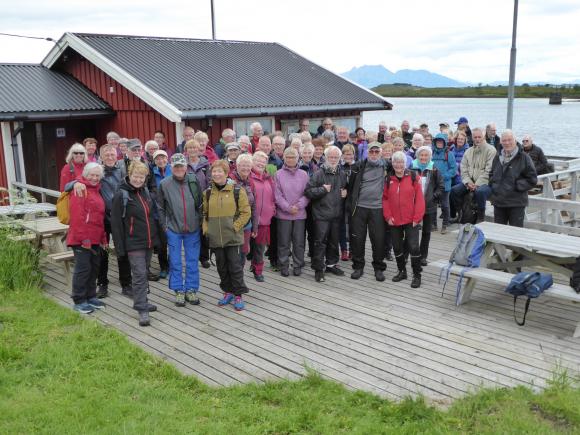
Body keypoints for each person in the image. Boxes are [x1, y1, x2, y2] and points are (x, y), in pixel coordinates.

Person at [111, 161, 159, 326]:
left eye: (142, 176)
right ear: (129, 175)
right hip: (133, 242)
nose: (138, 179)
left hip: (147, 241)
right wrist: (120, 249)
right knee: (139, 275)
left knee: (143, 273)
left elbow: (150, 218)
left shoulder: (144, 191)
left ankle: (143, 300)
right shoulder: (121, 195)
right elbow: (116, 224)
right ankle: (141, 309)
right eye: (136, 176)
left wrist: (155, 239)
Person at [203, 160, 251, 311]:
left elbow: (246, 212)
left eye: (220, 171)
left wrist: (235, 227)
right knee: (222, 267)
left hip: (233, 237)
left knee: (235, 267)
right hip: (216, 238)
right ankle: (228, 292)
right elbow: (204, 214)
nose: (216, 174)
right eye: (214, 171)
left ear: (226, 173)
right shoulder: (208, 192)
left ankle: (238, 295)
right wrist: (206, 230)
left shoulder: (237, 190)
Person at [157, 153, 203, 307]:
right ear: (171, 167)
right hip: (174, 229)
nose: (178, 169)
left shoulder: (193, 180)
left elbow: (200, 203)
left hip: (193, 228)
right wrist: (165, 226)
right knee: (175, 261)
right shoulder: (164, 184)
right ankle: (178, 290)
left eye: (181, 166)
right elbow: (160, 207)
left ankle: (191, 289)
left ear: (185, 166)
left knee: (192, 261)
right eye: (175, 166)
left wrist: (200, 221)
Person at [66, 162, 107, 314]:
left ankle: (90, 296)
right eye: (92, 175)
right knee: (83, 269)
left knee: (94, 268)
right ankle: (79, 300)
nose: (94, 178)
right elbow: (77, 217)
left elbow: (99, 217)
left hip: (95, 237)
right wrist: (84, 239)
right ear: (85, 175)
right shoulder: (80, 189)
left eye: (97, 175)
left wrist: (103, 238)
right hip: (81, 239)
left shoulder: (96, 190)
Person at [304, 146, 347, 282]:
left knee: (334, 242)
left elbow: (344, 190)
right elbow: (308, 191)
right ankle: (318, 269)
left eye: (336, 157)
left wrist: (346, 193)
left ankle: (331, 264)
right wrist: (322, 190)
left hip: (336, 214)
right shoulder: (318, 173)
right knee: (320, 242)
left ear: (339, 158)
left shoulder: (342, 173)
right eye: (331, 157)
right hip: (321, 215)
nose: (333, 159)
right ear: (326, 157)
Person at [383, 151, 425, 288]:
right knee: (397, 246)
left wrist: (417, 217)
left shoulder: (413, 177)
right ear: (392, 163)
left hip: (411, 219)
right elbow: (385, 199)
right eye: (396, 162)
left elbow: (419, 198)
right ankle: (402, 271)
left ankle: (417, 275)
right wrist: (388, 216)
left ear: (405, 163)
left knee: (414, 247)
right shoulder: (388, 179)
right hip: (394, 220)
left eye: (401, 162)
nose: (398, 165)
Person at [348, 142, 389, 281]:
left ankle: (378, 268)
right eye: (371, 152)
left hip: (378, 209)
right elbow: (351, 187)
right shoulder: (358, 166)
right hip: (359, 208)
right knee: (357, 239)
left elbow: (402, 171)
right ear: (367, 152)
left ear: (381, 153)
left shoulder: (387, 166)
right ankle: (358, 267)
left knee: (378, 240)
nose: (374, 154)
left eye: (377, 152)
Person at [489, 130, 538, 227]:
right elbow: (491, 173)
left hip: (516, 202)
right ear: (501, 142)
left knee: (516, 233)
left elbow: (532, 179)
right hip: (499, 202)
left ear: (515, 140)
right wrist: (493, 186)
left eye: (509, 140)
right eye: (504, 140)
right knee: (499, 232)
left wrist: (517, 186)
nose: (507, 143)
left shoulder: (524, 157)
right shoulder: (497, 156)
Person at [275, 148, 309, 277]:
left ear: (298, 158)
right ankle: (283, 265)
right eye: (288, 157)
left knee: (299, 242)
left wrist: (299, 206)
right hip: (284, 214)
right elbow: (277, 195)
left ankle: (297, 265)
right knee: (284, 242)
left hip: (300, 214)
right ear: (284, 158)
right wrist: (288, 208)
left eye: (293, 157)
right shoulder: (278, 174)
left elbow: (307, 193)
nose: (290, 159)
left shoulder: (304, 174)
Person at [450, 128, 496, 223]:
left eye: (480, 137)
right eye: (475, 137)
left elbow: (489, 170)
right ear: (472, 138)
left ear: (484, 137)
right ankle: (460, 214)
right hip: (470, 182)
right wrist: (468, 182)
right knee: (454, 191)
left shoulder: (491, 150)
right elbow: (463, 169)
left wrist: (477, 184)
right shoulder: (468, 151)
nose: (477, 139)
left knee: (480, 192)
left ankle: (480, 217)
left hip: (486, 183)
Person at [411, 146, 444, 265]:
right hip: (413, 206)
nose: (423, 157)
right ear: (418, 156)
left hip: (429, 206)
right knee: (412, 231)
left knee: (426, 232)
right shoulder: (411, 168)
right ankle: (412, 253)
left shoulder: (434, 169)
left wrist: (433, 197)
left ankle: (423, 256)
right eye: (421, 155)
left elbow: (441, 186)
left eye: (426, 155)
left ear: (429, 157)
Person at [249, 151, 276, 282]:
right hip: (249, 220)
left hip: (264, 219)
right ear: (251, 162)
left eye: (263, 162)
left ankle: (257, 269)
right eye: (257, 161)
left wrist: (272, 209)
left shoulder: (268, 178)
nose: (260, 163)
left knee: (260, 247)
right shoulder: (247, 178)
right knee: (246, 247)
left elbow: (273, 197)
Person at [230, 154, 257, 266]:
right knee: (232, 253)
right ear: (237, 166)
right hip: (233, 224)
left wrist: (255, 226)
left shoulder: (251, 182)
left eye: (248, 165)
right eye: (242, 165)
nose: (245, 168)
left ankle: (238, 278)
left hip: (247, 224)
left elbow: (254, 205)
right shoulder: (230, 180)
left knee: (243, 252)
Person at [150, 150, 171, 279]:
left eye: (163, 157)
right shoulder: (151, 173)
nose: (161, 160)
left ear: (167, 158)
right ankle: (164, 266)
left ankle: (174, 265)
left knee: (173, 242)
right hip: (158, 213)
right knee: (161, 244)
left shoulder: (173, 170)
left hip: (173, 213)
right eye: (158, 158)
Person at [431, 133, 457, 234]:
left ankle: (445, 224)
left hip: (445, 184)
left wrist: (443, 177)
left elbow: (453, 169)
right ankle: (433, 224)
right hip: (433, 184)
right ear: (435, 142)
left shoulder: (449, 154)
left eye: (441, 141)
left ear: (444, 142)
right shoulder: (431, 153)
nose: (439, 143)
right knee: (432, 204)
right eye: (438, 141)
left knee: (445, 205)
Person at [339, 143, 356, 261]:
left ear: (354, 155)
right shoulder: (340, 167)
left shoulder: (358, 167)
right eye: (345, 154)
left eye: (350, 154)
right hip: (341, 201)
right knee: (342, 226)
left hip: (353, 200)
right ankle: (344, 250)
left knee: (353, 226)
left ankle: (353, 250)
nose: (348, 156)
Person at [449, 131, 470, 221]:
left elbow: (468, 165)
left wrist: (457, 167)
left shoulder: (468, 150)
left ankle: (458, 213)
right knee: (445, 188)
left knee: (453, 191)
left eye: (462, 139)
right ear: (456, 139)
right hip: (452, 175)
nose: (460, 140)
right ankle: (451, 215)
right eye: (459, 139)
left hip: (462, 176)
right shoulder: (451, 149)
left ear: (465, 140)